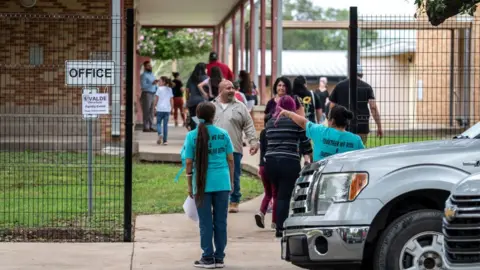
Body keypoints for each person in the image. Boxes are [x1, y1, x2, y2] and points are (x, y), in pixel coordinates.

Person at [184, 102, 235, 269]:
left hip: (202, 183)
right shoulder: (223, 134)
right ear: (214, 116)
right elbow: (231, 160)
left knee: (205, 222)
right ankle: (219, 257)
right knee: (221, 221)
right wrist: (232, 181)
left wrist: (190, 186)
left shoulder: (192, 136)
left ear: (198, 115)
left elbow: (189, 162)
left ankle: (207, 257)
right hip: (222, 182)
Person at [265, 95, 312, 238]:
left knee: (278, 194)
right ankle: (281, 227)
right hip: (289, 161)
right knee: (284, 196)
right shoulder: (295, 122)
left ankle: (278, 224)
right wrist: (308, 156)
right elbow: (305, 142)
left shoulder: (271, 122)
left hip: (271, 162)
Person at [212, 80, 258, 213]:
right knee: (215, 175)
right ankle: (218, 201)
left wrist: (253, 142)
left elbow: (248, 125)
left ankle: (234, 201)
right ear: (220, 91)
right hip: (214, 149)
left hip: (234, 148)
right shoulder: (211, 106)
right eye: (228, 88)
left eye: (232, 88)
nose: (232, 90)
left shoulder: (240, 107)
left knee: (234, 175)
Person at [278, 104, 365, 162]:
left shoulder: (320, 132)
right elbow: (363, 159)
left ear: (332, 121)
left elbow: (304, 122)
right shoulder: (356, 140)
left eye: (328, 117)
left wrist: (288, 113)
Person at [329, 65, 383, 145]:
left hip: (342, 124)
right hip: (362, 124)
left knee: (342, 151)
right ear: (362, 74)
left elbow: (332, 107)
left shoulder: (339, 86)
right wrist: (379, 126)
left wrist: (330, 125)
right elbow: (373, 107)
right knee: (359, 151)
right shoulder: (367, 87)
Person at [254, 113, 277, 230]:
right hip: (272, 166)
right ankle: (275, 221)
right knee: (275, 194)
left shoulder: (263, 133)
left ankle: (261, 212)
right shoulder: (274, 133)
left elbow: (260, 148)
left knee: (267, 193)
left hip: (263, 167)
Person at [186, 63, 210, 130]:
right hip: (203, 102)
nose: (207, 70)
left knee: (193, 119)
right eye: (206, 68)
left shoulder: (191, 78)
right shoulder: (206, 78)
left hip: (192, 102)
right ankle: (201, 133)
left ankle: (194, 134)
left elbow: (187, 90)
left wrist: (187, 99)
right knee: (202, 119)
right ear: (204, 69)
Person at [154, 76, 174, 145]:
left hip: (160, 109)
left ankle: (160, 134)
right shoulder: (170, 89)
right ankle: (165, 141)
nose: (158, 82)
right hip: (167, 109)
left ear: (163, 82)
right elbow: (171, 100)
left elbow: (156, 99)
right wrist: (172, 108)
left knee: (158, 123)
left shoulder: (159, 89)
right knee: (165, 125)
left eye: (159, 81)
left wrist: (154, 107)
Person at [140, 60, 158, 132]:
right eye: (148, 66)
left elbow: (154, 85)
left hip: (153, 93)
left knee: (152, 111)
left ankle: (151, 126)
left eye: (150, 65)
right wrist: (152, 83)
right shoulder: (143, 75)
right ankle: (145, 127)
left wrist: (157, 87)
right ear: (145, 67)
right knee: (146, 111)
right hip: (146, 94)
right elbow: (143, 86)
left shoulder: (152, 74)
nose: (150, 66)